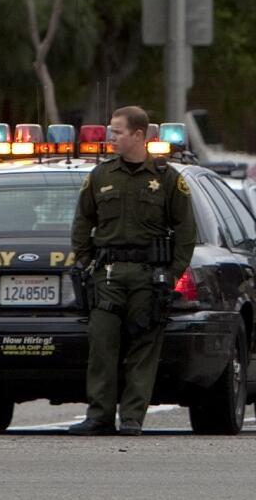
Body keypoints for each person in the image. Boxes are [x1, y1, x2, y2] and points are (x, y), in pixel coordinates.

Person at [69, 105, 195, 436]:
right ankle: (99, 416)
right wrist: (84, 263)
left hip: (149, 277)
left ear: (138, 135)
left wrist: (172, 272)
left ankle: (132, 418)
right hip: (107, 275)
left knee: (144, 348)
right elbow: (83, 221)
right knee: (102, 345)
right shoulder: (100, 176)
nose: (112, 137)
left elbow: (185, 231)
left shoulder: (167, 179)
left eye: (118, 131)